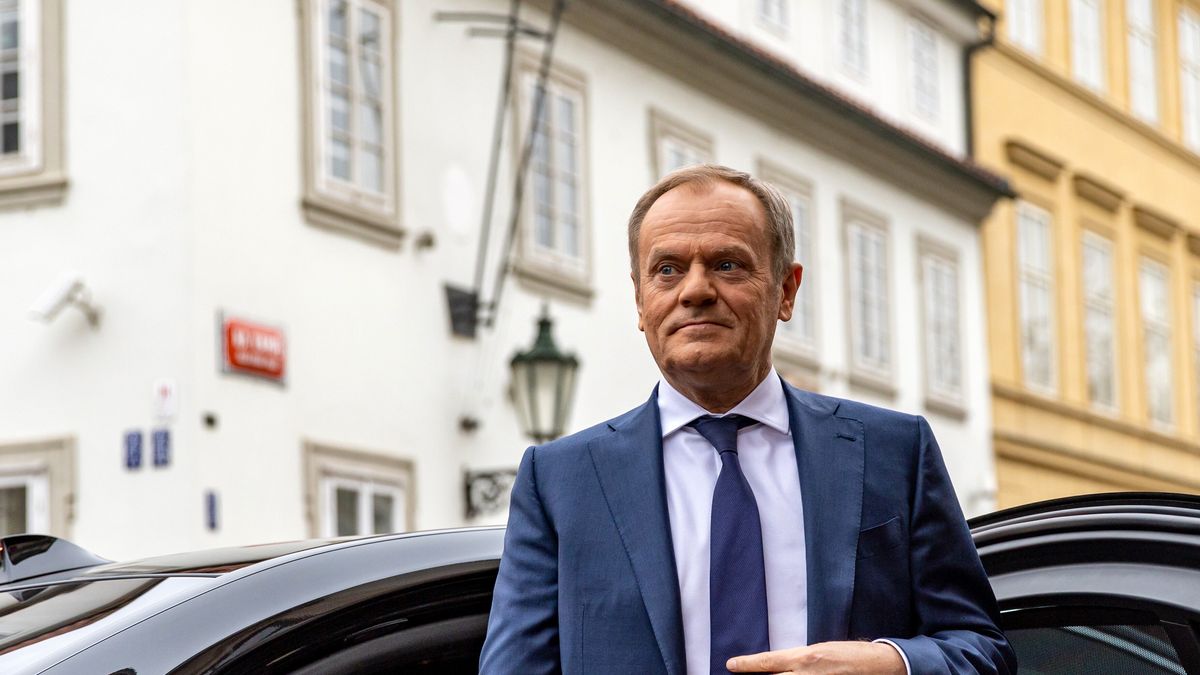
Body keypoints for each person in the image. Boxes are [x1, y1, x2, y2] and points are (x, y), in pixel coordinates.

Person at [479, 164, 1015, 674]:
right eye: (666, 270)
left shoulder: (895, 452)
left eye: (726, 264)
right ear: (641, 302)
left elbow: (983, 649)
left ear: (785, 290)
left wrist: (891, 663)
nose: (694, 291)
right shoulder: (560, 481)